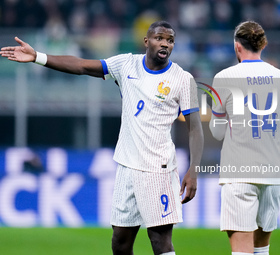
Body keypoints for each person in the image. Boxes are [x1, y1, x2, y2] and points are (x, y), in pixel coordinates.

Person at [0, 20, 204, 255]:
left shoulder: (182, 78)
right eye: (160, 38)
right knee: (120, 241)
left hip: (158, 169)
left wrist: (193, 170)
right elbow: (81, 66)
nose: (165, 43)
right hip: (127, 167)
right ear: (146, 41)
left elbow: (195, 128)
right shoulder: (126, 64)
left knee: (159, 240)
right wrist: (38, 56)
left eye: (170, 40)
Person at [209, 21, 280, 255]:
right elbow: (279, 122)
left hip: (240, 173)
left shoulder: (224, 77)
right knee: (261, 250)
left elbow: (217, 131)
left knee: (242, 251)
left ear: (237, 47)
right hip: (273, 172)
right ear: (263, 45)